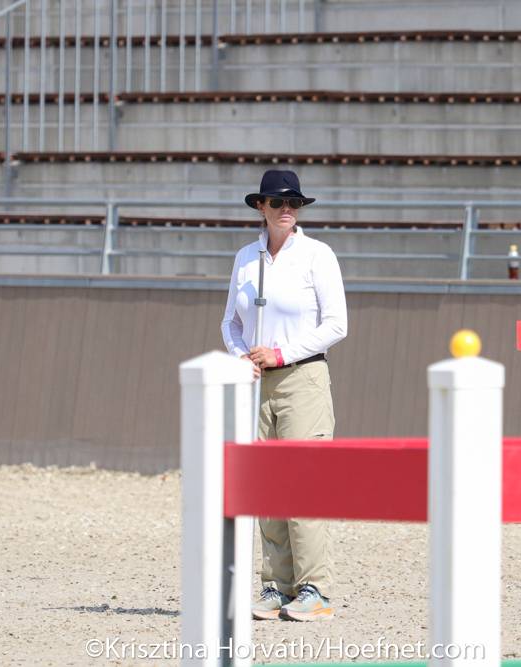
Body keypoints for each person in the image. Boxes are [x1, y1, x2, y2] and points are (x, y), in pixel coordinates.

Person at [220, 169, 348, 622]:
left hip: (303, 378)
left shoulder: (318, 255)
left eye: (294, 202)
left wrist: (281, 353)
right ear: (261, 207)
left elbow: (336, 325)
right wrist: (241, 356)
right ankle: (276, 585)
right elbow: (230, 323)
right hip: (258, 382)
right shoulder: (245, 257)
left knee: (305, 483)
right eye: (277, 202)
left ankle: (315, 588)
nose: (287, 209)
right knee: (267, 485)